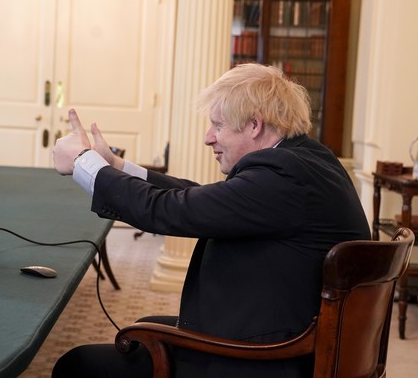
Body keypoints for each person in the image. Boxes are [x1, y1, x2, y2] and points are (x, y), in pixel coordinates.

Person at [51, 63, 371, 378]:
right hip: (281, 334)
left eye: (217, 125)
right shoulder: (308, 159)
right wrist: (118, 166)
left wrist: (83, 163)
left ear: (254, 125)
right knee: (145, 327)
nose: (208, 138)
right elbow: (205, 199)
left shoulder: (282, 176)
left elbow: (173, 210)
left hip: (261, 360)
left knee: (77, 364)